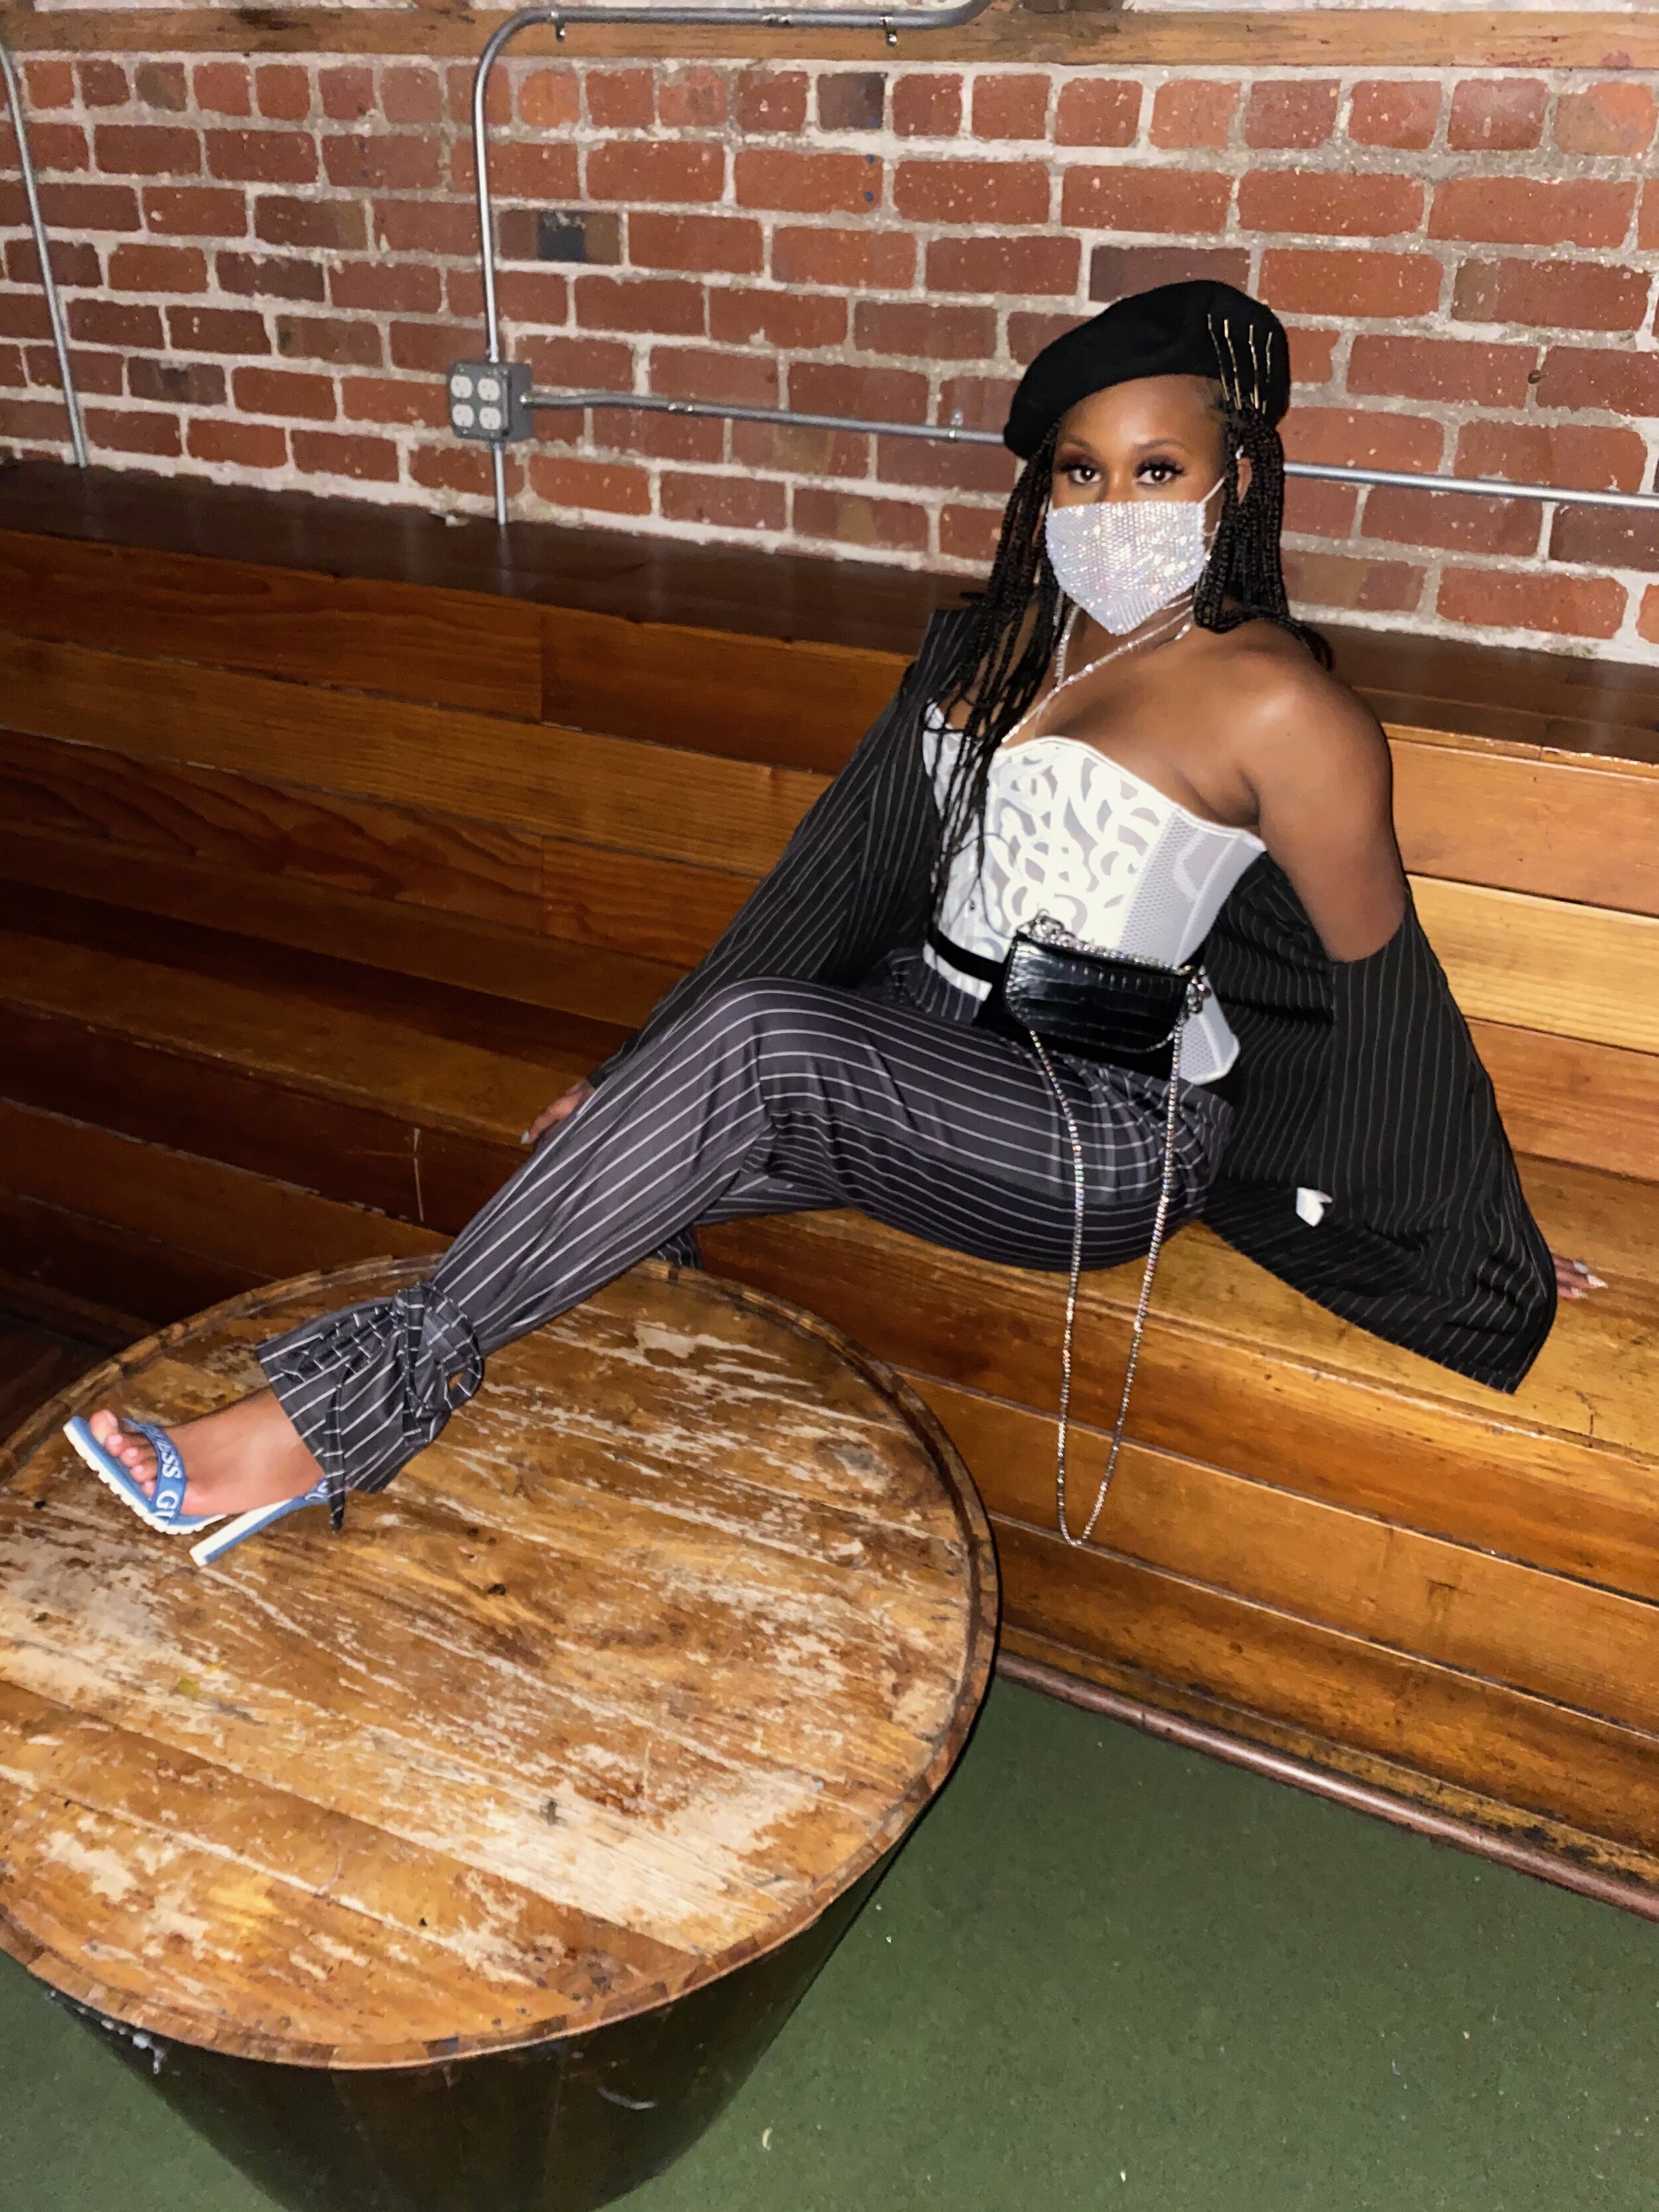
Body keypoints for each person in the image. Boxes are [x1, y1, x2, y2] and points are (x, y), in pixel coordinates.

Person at [72, 279, 1579, 1561]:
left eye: (1154, 472)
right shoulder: (986, 652)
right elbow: (825, 882)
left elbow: (1377, 984)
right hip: (917, 1048)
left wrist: (1474, 1226)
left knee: (759, 1050)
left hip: (1098, 1125)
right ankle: (341, 1425)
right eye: (1077, 472)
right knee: (667, 1110)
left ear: (1234, 482)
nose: (1109, 510)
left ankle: (315, 1426)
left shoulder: (1281, 706)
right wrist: (631, 1065)